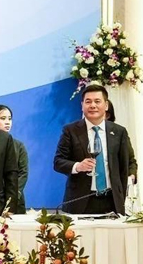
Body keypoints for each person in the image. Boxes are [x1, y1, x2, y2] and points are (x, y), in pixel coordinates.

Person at [53, 84, 132, 215]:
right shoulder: (70, 130)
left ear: (106, 105)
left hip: (112, 201)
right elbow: (58, 162)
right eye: (88, 101)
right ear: (82, 105)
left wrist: (121, 197)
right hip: (80, 200)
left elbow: (124, 167)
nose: (93, 105)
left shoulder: (119, 132)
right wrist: (78, 166)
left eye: (97, 101)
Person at [0, 104, 28, 213]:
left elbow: (23, 173)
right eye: (3, 118)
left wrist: (12, 195)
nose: (7, 122)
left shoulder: (18, 145)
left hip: (15, 199)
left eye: (9, 119)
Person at [104, 101, 138, 182]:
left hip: (115, 187)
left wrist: (131, 175)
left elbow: (131, 161)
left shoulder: (119, 133)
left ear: (108, 115)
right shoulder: (80, 133)